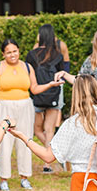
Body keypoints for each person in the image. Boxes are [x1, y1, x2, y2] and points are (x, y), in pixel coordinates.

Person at [0, 39, 63, 191]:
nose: (12, 55)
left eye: (15, 51)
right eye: (9, 52)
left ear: (19, 51)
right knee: (4, 141)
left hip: (25, 106)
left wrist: (50, 84)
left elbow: (35, 88)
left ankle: (24, 177)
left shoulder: (27, 66)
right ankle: (4, 178)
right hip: (4, 106)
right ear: (3, 54)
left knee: (25, 140)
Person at [25, 25, 64, 173]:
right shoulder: (58, 55)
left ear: (40, 36)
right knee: (50, 130)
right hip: (54, 95)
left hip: (37, 94)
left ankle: (51, 155)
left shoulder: (31, 55)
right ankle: (51, 159)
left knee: (37, 129)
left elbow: (28, 73)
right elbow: (62, 74)